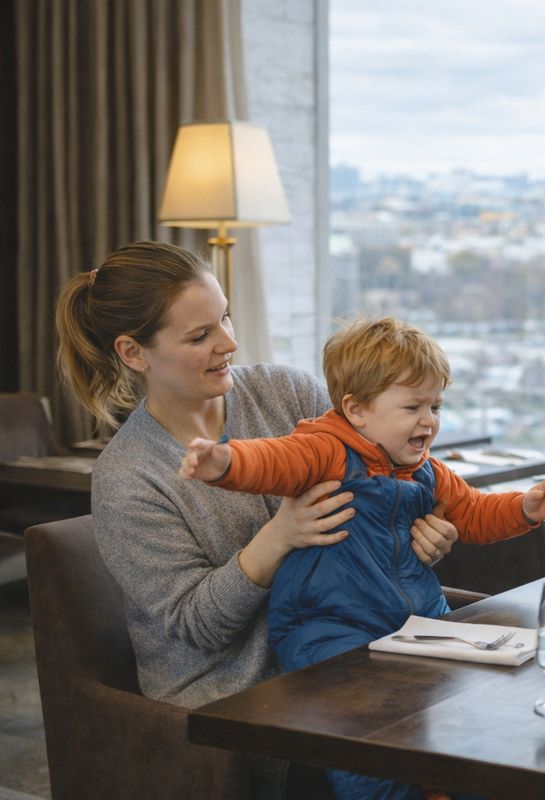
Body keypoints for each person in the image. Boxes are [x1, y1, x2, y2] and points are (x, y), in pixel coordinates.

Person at [55, 242, 459, 799]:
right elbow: (196, 629)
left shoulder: (284, 391)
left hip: (349, 654)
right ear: (134, 352)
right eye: (199, 336)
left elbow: (385, 476)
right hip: (236, 692)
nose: (229, 342)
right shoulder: (129, 476)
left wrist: (422, 531)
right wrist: (278, 538)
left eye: (223, 316)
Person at [179, 316, 545, 800]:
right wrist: (224, 462)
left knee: (475, 714)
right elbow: (273, 460)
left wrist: (524, 508)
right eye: (412, 407)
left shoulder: (425, 470)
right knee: (362, 740)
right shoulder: (326, 450)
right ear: (356, 410)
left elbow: (475, 512)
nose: (429, 421)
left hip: (415, 621)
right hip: (328, 625)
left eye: (436, 406)